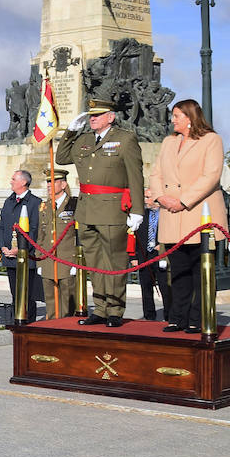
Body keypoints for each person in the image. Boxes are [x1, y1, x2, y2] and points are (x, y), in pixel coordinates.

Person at [56, 98, 145, 326]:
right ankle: (101, 309)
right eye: (90, 115)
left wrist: (137, 209)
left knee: (114, 263)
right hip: (86, 211)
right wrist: (71, 131)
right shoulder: (84, 139)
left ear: (110, 117)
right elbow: (61, 158)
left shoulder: (125, 139)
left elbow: (135, 176)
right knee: (94, 263)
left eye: (97, 115)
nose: (92, 118)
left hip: (112, 210)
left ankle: (115, 310)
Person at [149, 99, 225, 333]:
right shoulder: (168, 142)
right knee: (178, 270)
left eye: (177, 116)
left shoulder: (211, 140)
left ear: (190, 118)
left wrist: (183, 201)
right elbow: (156, 173)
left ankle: (198, 318)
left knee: (200, 271)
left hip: (198, 214)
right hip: (172, 215)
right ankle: (177, 317)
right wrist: (162, 198)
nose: (173, 120)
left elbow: (211, 176)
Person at [0, 171, 43, 316]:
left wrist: (21, 249)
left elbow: (35, 230)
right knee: (15, 294)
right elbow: (3, 227)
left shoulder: (35, 202)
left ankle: (28, 323)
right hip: (10, 257)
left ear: (23, 182)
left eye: (13, 179)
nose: (10, 181)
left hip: (27, 257)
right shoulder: (8, 201)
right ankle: (16, 322)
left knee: (27, 295)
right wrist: (3, 246)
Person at [37, 170, 78, 319]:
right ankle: (52, 328)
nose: (49, 185)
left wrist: (76, 262)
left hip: (67, 260)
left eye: (53, 181)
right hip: (48, 260)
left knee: (68, 302)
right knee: (50, 300)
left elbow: (78, 235)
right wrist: (39, 261)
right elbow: (40, 236)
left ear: (63, 184)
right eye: (48, 182)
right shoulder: (44, 206)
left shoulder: (74, 204)